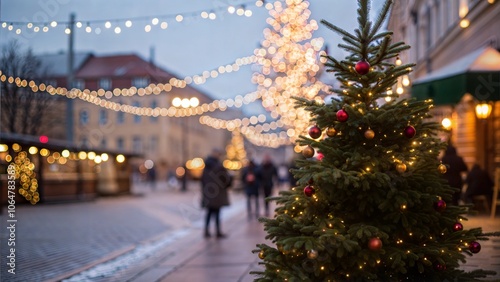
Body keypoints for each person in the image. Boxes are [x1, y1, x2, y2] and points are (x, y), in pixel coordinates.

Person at [201, 148, 232, 238]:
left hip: (208, 193)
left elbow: (202, 180)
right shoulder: (219, 166)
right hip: (217, 193)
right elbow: (226, 180)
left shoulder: (206, 166)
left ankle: (206, 231)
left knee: (209, 213)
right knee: (217, 213)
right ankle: (217, 231)